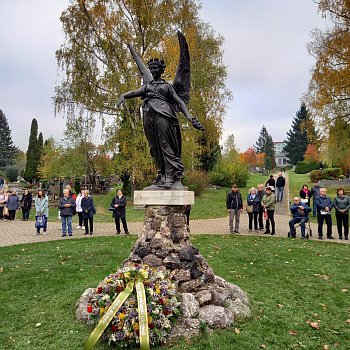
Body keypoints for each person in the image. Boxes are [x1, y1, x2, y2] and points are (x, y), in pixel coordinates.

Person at [116, 51, 204, 190]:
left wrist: (189, 116)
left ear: (161, 70)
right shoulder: (148, 86)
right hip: (149, 116)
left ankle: (171, 176)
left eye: (155, 68)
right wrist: (123, 96)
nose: (153, 70)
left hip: (164, 115)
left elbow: (179, 102)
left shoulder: (166, 86)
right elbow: (134, 92)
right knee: (154, 146)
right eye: (151, 68)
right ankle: (161, 175)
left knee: (165, 143)